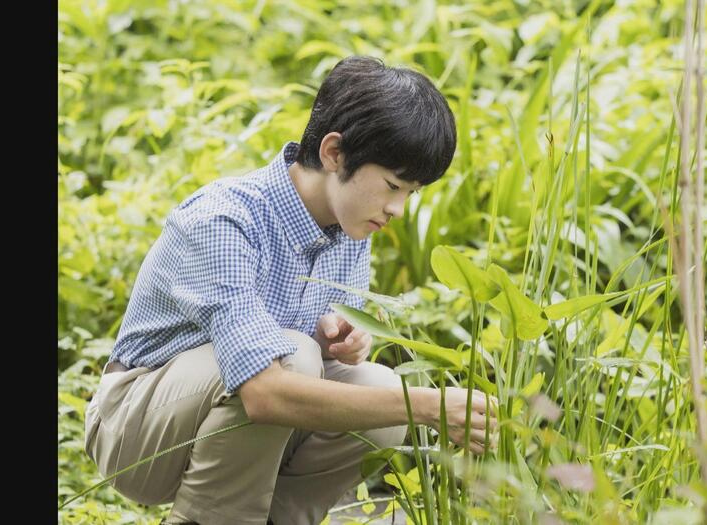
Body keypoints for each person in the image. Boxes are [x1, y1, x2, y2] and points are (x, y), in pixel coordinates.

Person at [83, 55, 497, 525]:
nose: (398, 208)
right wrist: (427, 405)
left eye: (412, 192)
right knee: (294, 357)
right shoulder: (224, 219)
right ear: (333, 153)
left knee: (377, 387)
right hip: (135, 430)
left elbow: (315, 366)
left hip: (238, 430)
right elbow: (263, 393)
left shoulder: (350, 227)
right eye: (392, 185)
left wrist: (339, 345)